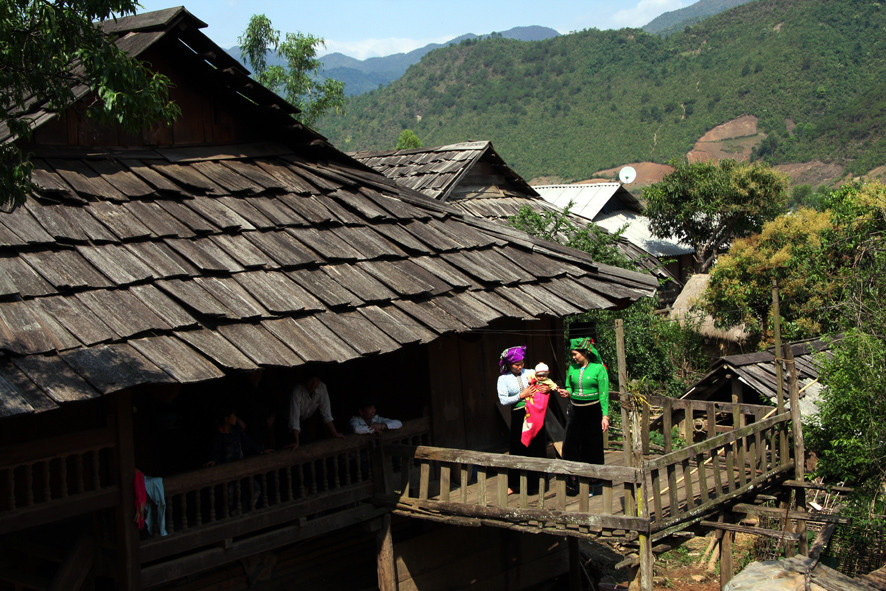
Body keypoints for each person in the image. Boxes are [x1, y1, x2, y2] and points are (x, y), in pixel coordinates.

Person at [558, 337, 610, 496]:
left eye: (576, 354)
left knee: (592, 447)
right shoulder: (572, 368)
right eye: (572, 354)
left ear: (585, 353)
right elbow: (569, 385)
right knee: (570, 447)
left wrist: (605, 416)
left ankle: (594, 485)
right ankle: (573, 485)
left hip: (592, 410)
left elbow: (603, 394)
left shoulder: (598, 369)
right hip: (575, 410)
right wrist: (567, 392)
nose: (573, 357)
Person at [497, 346, 550, 495]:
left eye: (522, 363)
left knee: (537, 446)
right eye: (516, 364)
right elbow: (503, 400)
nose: (520, 366)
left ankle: (538, 483)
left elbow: (544, 381)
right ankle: (515, 484)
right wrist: (521, 395)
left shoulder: (530, 372)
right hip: (519, 415)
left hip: (535, 413)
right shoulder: (503, 379)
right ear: (509, 364)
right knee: (518, 448)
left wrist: (546, 389)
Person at [289, 374, 345, 449]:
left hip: (305, 419)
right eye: (311, 381)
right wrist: (296, 441)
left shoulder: (322, 388)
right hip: (289, 421)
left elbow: (326, 413)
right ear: (306, 380)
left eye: (316, 381)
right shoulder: (297, 391)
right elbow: (294, 417)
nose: (313, 385)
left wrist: (334, 433)